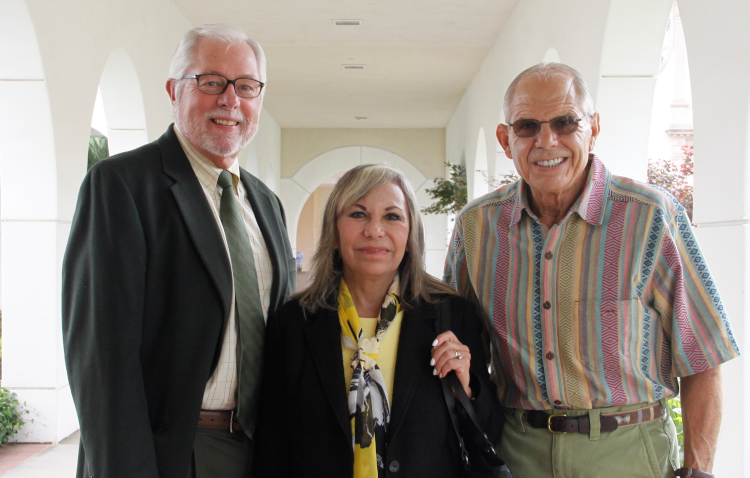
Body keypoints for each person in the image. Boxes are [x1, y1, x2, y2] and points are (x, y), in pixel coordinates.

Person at [445, 63, 740, 478]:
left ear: (594, 128)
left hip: (630, 455)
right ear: (505, 139)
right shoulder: (476, 228)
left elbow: (703, 354)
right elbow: (454, 340)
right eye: (527, 126)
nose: (547, 141)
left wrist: (700, 471)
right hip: (515, 454)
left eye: (566, 122)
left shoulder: (651, 217)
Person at [62, 24, 296, 478]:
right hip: (168, 454)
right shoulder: (122, 186)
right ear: (174, 91)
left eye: (246, 86)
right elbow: (102, 363)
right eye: (211, 83)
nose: (230, 100)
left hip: (260, 450)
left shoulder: (267, 205)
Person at [253, 164, 502, 478]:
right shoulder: (293, 323)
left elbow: (489, 431)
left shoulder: (451, 316)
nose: (374, 230)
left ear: (411, 233)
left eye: (392, 216)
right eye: (358, 214)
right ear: (333, 232)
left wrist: (466, 387)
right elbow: (271, 444)